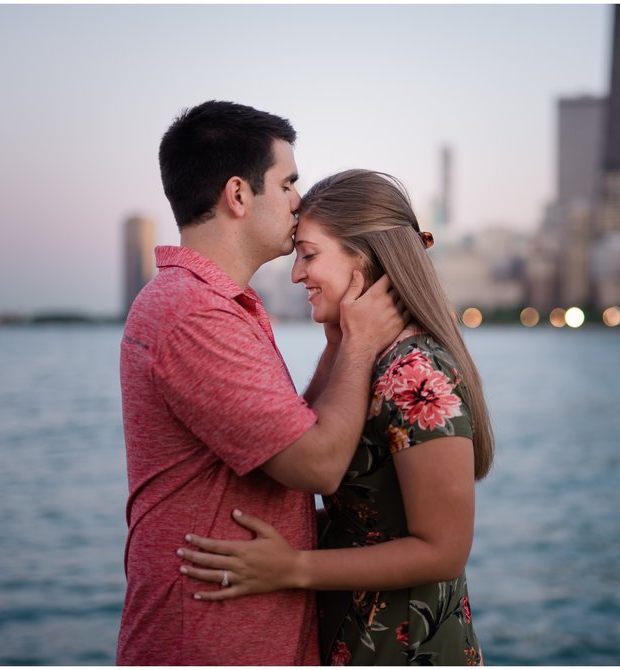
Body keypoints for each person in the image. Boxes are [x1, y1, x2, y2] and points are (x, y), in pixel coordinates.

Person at [118, 105, 406, 665]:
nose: (299, 199)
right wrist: (363, 344)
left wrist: (337, 340)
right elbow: (316, 464)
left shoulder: (220, 306)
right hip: (207, 645)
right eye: (288, 182)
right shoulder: (194, 315)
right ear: (238, 195)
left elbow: (288, 434)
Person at [175, 169, 495, 665]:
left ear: (362, 261)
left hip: (403, 648)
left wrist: (293, 569)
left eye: (309, 254)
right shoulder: (363, 360)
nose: (297, 274)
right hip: (353, 635)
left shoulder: (416, 375)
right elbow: (313, 457)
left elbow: (444, 550)